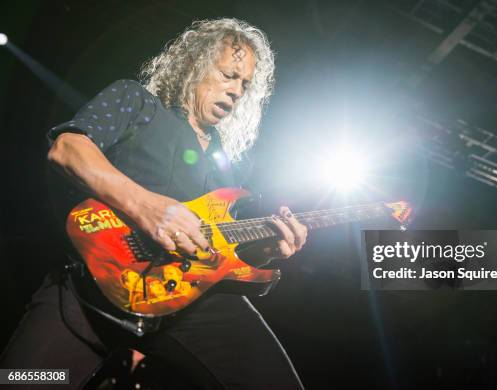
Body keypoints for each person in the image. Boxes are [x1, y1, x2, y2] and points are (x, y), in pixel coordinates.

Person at [1, 18, 307, 389]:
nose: (238, 90)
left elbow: (220, 254)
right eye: (229, 75)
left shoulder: (229, 166)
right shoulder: (136, 101)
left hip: (192, 303)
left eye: (245, 84)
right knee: (22, 381)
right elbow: (67, 149)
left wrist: (265, 249)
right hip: (93, 284)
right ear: (195, 64)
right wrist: (146, 206)